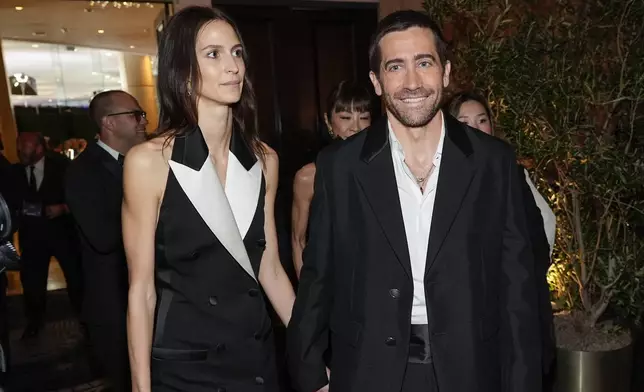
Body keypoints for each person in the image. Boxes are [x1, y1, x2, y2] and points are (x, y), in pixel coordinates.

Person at [287, 10, 542, 392]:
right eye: (395, 67)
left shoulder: (494, 162)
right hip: (368, 371)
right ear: (376, 81)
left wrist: (522, 382)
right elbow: (318, 275)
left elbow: (519, 287)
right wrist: (310, 375)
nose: (412, 82)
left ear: (446, 72)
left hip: (473, 369)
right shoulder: (340, 167)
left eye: (424, 63)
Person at [122, 6, 296, 392]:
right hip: (187, 366)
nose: (233, 65)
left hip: (254, 357)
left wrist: (314, 352)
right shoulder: (148, 163)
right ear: (182, 70)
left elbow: (269, 270)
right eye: (213, 54)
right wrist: (140, 387)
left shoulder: (265, 159)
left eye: (236, 52)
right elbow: (141, 289)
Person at [447, 90, 556, 388]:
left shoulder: (511, 172)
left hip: (508, 304)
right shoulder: (439, 179)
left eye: (482, 120)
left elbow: (544, 226)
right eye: (464, 121)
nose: (475, 128)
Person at [65, 90, 147, 391]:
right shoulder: (82, 171)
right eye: (135, 115)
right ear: (108, 123)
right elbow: (102, 236)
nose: (143, 122)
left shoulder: (145, 162)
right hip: (115, 307)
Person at [291, 81, 373, 278]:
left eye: (364, 117)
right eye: (345, 117)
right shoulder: (308, 177)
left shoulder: (384, 171)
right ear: (328, 122)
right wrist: (308, 298)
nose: (356, 127)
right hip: (330, 285)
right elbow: (298, 240)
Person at [11, 132, 83, 339]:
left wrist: (63, 208)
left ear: (39, 148)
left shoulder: (63, 167)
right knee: (32, 282)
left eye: (24, 146)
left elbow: (80, 196)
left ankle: (84, 318)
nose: (19, 150)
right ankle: (34, 323)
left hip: (63, 235)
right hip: (32, 237)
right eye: (18, 145)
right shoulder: (14, 172)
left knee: (76, 278)